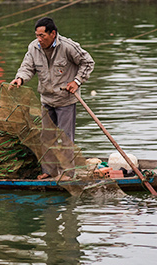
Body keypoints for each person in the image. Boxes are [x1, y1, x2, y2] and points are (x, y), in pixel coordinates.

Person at [10, 16, 94, 179]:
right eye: (37, 35)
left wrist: (76, 81)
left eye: (42, 36)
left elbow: (88, 63)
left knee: (65, 137)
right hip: (47, 100)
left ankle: (68, 173)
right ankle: (48, 171)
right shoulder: (34, 47)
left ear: (53, 33)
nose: (39, 39)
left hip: (65, 100)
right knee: (46, 137)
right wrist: (19, 78)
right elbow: (27, 67)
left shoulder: (68, 47)